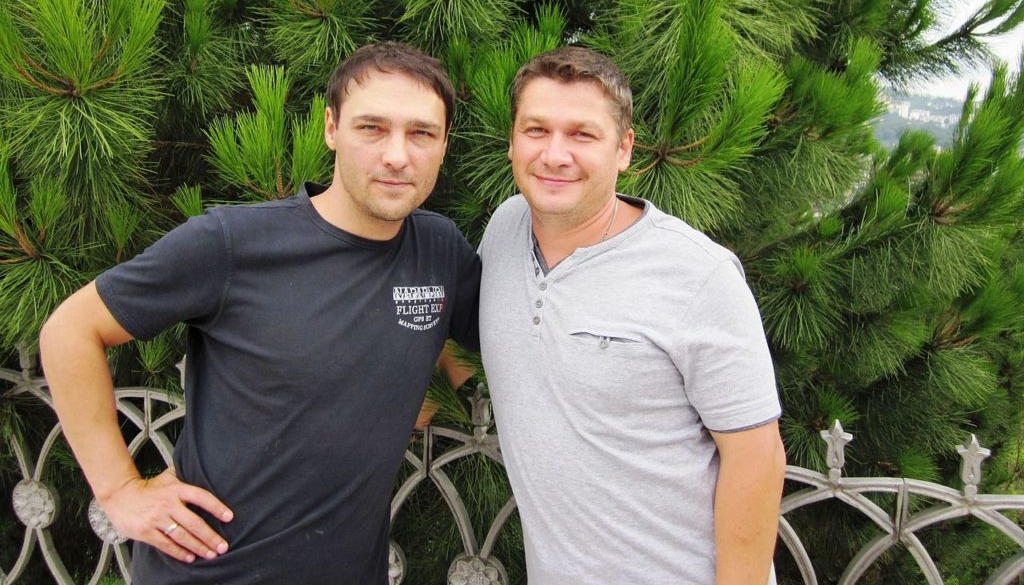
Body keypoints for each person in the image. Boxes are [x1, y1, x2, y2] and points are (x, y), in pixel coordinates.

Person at [39, 42, 480, 584]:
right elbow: (70, 331)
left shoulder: (440, 250)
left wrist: (426, 395)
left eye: (421, 133)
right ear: (331, 129)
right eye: (372, 128)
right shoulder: (231, 244)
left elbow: (489, 332)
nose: (396, 155)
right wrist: (119, 490)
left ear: (443, 144)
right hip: (209, 572)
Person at [478, 46, 786, 584]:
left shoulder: (698, 274)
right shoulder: (504, 229)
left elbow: (756, 458)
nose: (554, 154)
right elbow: (470, 336)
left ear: (623, 149)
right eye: (536, 130)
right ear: (512, 141)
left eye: (582, 134)